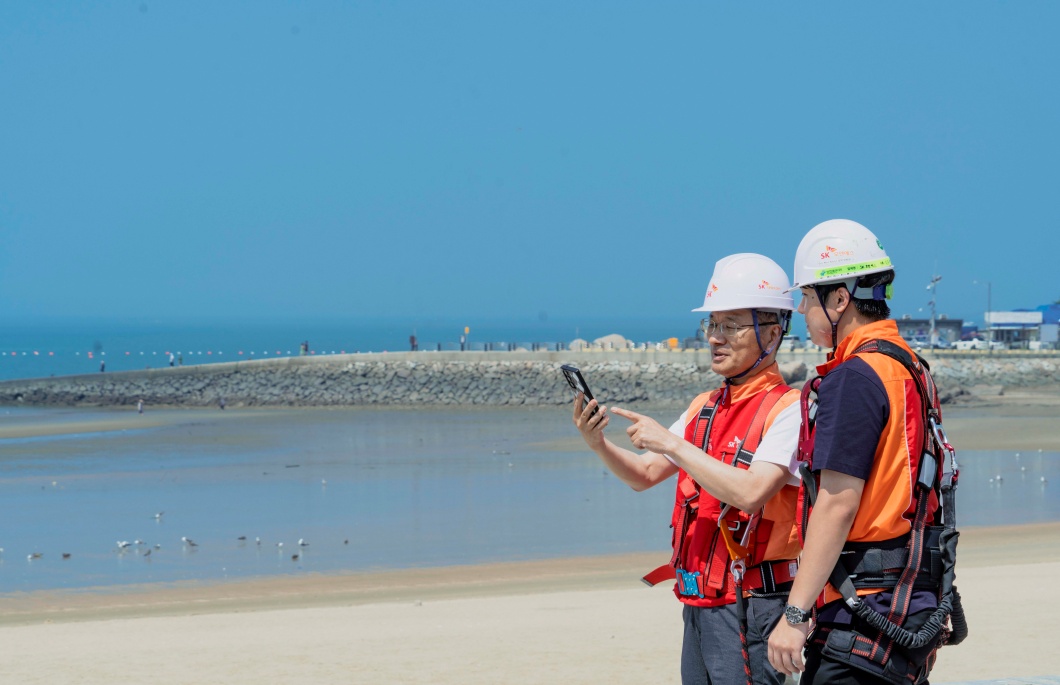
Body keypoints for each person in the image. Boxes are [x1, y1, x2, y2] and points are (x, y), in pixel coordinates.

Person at [573, 253, 803, 685]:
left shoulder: (788, 410)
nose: (716, 337)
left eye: (731, 325)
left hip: (752, 604)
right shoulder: (704, 407)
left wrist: (673, 443)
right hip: (700, 602)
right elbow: (644, 475)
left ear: (772, 334)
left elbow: (753, 492)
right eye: (712, 324)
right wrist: (596, 442)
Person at [767, 219, 959, 684]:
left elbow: (837, 502)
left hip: (864, 611)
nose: (801, 308)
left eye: (808, 297)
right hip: (908, 601)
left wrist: (794, 616)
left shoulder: (854, 377)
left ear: (840, 299)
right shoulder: (909, 366)